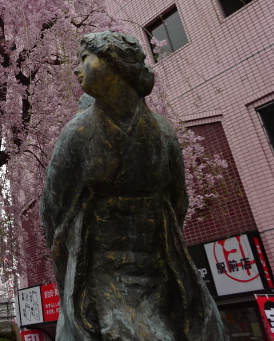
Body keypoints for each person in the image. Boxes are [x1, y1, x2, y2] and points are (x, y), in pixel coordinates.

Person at [41, 31, 225, 341]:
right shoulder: (78, 133)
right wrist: (70, 272)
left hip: (160, 263)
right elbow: (52, 212)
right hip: (98, 268)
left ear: (115, 65)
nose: (77, 69)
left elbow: (178, 201)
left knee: (202, 327)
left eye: (85, 58)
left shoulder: (163, 133)